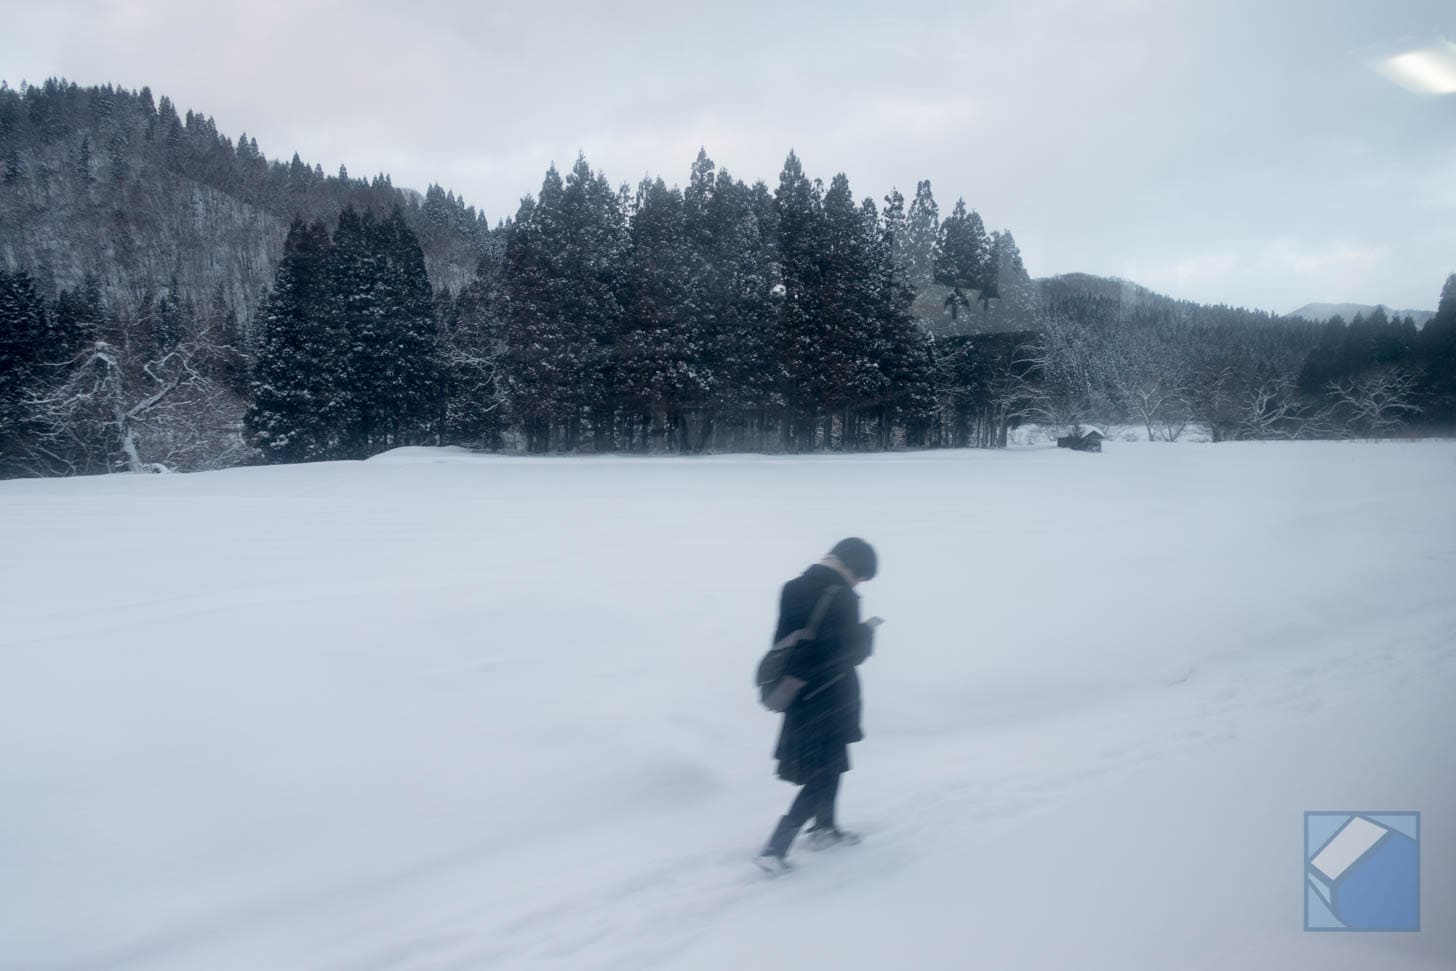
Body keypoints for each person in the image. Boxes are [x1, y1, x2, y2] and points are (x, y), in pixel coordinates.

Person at [758, 537, 879, 871]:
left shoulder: (793, 587)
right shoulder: (842, 596)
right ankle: (775, 849)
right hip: (829, 695)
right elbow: (848, 653)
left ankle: (825, 829)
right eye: (862, 575)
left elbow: (792, 641)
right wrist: (866, 636)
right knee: (823, 775)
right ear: (851, 566)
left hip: (798, 693)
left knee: (832, 766)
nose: (860, 582)